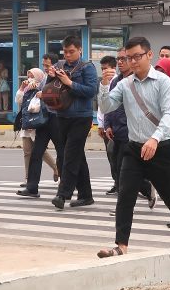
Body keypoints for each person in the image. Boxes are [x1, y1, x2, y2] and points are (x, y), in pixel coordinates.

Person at [98, 36, 170, 257]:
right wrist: (104, 85)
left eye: (137, 56)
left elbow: (169, 115)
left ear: (149, 55)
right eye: (128, 58)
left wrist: (154, 139)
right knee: (125, 195)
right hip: (134, 149)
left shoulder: (163, 82)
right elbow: (107, 106)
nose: (133, 62)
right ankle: (121, 245)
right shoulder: (125, 84)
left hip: (160, 148)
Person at [100, 47, 156, 214]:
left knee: (124, 170)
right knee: (117, 168)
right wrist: (107, 124)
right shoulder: (116, 81)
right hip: (116, 130)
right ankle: (147, 189)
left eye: (124, 58)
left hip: (132, 133)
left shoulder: (138, 81)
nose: (120, 62)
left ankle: (122, 207)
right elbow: (109, 105)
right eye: (119, 59)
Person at [48, 35, 100, 210]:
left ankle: (63, 194)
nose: (68, 55)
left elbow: (91, 91)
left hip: (81, 117)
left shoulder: (88, 67)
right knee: (74, 155)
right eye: (65, 52)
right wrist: (51, 76)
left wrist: (69, 83)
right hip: (62, 115)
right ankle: (86, 195)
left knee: (70, 155)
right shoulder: (59, 66)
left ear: (80, 50)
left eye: (72, 52)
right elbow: (48, 88)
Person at [20, 53, 65, 197]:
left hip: (57, 119)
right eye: (43, 65)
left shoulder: (61, 76)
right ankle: (32, 187)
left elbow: (62, 95)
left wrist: (43, 94)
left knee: (61, 152)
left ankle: (65, 185)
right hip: (44, 119)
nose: (45, 68)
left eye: (47, 65)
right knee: (36, 152)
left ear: (55, 64)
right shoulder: (45, 77)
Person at [15, 68, 59, 186]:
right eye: (28, 75)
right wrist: (22, 88)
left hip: (36, 122)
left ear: (38, 76)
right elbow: (18, 100)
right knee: (27, 152)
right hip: (26, 122)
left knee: (40, 151)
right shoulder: (27, 88)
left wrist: (36, 89)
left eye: (32, 75)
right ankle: (28, 178)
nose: (29, 78)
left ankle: (56, 168)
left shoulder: (42, 87)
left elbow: (40, 105)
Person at [98, 56, 120, 194]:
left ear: (113, 68)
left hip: (118, 125)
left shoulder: (119, 82)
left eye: (106, 68)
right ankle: (116, 182)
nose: (104, 71)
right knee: (111, 156)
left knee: (119, 157)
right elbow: (101, 106)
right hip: (107, 126)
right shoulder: (103, 83)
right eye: (102, 69)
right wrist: (101, 125)